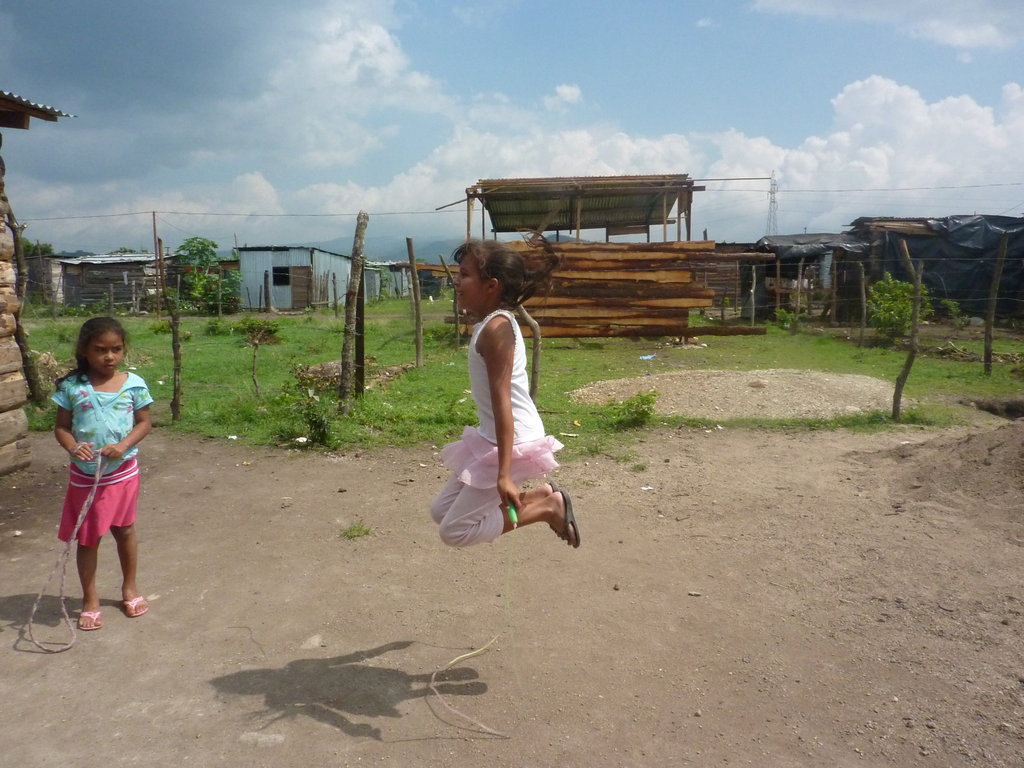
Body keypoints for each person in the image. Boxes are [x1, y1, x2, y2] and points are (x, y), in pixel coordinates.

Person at [430, 239, 580, 549]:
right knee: (440, 511)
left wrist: (504, 474)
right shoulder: (489, 324)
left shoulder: (497, 329)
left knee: (454, 532)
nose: (456, 281)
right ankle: (540, 497)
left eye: (465, 274)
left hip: (513, 439)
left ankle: (548, 507)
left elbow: (503, 406)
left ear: (491, 285)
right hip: (492, 436)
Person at [52, 317, 154, 631]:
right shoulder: (72, 387)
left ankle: (130, 588)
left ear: (123, 349)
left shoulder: (133, 384)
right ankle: (90, 599)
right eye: (100, 350)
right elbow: (61, 428)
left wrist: (123, 445)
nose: (109, 356)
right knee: (88, 538)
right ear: (84, 350)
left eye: (116, 349)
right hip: (86, 478)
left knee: (124, 531)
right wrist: (73, 447)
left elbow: (144, 423)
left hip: (122, 474)